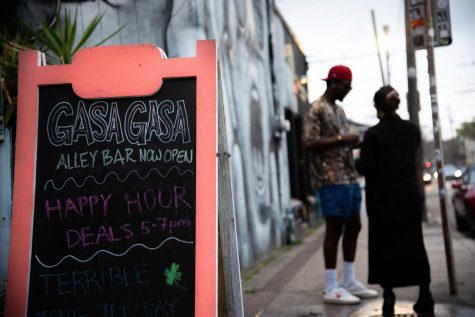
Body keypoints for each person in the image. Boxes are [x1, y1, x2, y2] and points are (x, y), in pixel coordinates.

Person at [355, 85, 434, 316]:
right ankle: (424, 294)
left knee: (385, 250)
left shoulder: (373, 135)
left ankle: (389, 297)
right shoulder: (412, 130)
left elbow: (366, 167)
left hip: (383, 203)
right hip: (409, 198)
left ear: (377, 107)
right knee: (415, 247)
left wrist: (356, 161)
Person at [303, 65, 377, 304]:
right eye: (347, 86)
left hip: (349, 176)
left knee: (354, 225)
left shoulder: (340, 110)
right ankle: (330, 286)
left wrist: (358, 143)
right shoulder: (316, 109)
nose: (348, 91)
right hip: (330, 178)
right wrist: (341, 139)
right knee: (335, 228)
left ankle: (349, 280)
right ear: (333, 83)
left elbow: (341, 143)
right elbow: (310, 141)